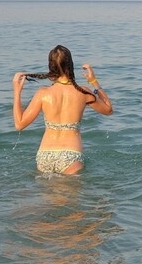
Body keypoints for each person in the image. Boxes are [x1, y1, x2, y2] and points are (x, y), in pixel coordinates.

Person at [13, 45, 113, 175]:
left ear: (51, 67)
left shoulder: (43, 94)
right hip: (71, 156)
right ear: (70, 66)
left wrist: (17, 92)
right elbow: (108, 110)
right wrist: (94, 82)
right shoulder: (83, 92)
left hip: (45, 155)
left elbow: (19, 124)